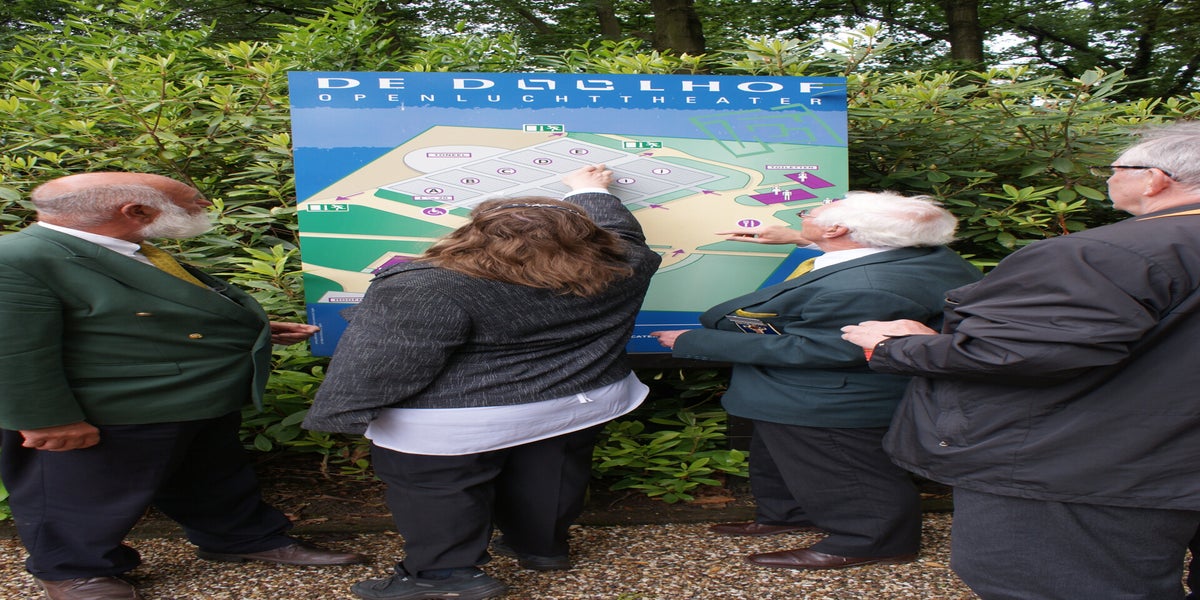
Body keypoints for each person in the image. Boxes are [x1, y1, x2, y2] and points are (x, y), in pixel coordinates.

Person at [840, 122, 1200, 599]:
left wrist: (896, 345)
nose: (1108, 178)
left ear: (1154, 179)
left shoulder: (1102, 253)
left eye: (1115, 168)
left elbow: (1020, 354)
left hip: (1088, 465)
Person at [0, 172, 367, 600]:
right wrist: (47, 421)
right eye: (192, 200)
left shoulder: (122, 247)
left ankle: (241, 538)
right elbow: (13, 350)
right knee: (80, 493)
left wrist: (253, 328)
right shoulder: (19, 259)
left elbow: (142, 313)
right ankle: (72, 570)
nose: (205, 206)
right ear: (136, 211)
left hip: (194, 396)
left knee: (212, 479)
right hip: (113, 408)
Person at [304, 164, 662, 600]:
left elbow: (380, 364)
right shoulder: (625, 265)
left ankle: (443, 576)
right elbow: (623, 234)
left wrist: (341, 413)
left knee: (437, 485)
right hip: (580, 399)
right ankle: (542, 548)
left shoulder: (428, 284)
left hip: (460, 415)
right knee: (550, 471)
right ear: (589, 237)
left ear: (474, 234)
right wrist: (591, 191)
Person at [649, 192, 981, 571]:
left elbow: (823, 349)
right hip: (797, 391)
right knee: (782, 459)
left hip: (829, 397)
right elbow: (865, 258)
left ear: (836, 229)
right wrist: (802, 238)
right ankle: (789, 514)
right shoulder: (920, 254)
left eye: (811, 212)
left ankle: (874, 541)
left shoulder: (866, 286)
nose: (804, 215)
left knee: (843, 469)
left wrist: (694, 341)